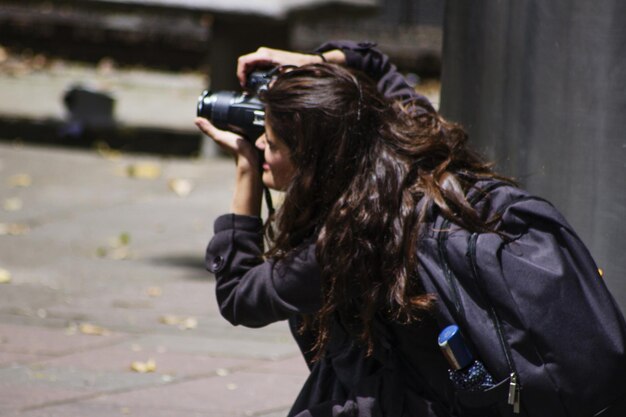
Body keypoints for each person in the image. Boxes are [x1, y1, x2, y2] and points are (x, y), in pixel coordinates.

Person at [196, 41, 626, 417]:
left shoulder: (348, 241)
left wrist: (245, 173)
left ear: (312, 160)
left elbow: (239, 296)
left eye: (272, 143)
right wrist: (313, 66)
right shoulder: (421, 139)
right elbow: (376, 64)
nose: (261, 148)